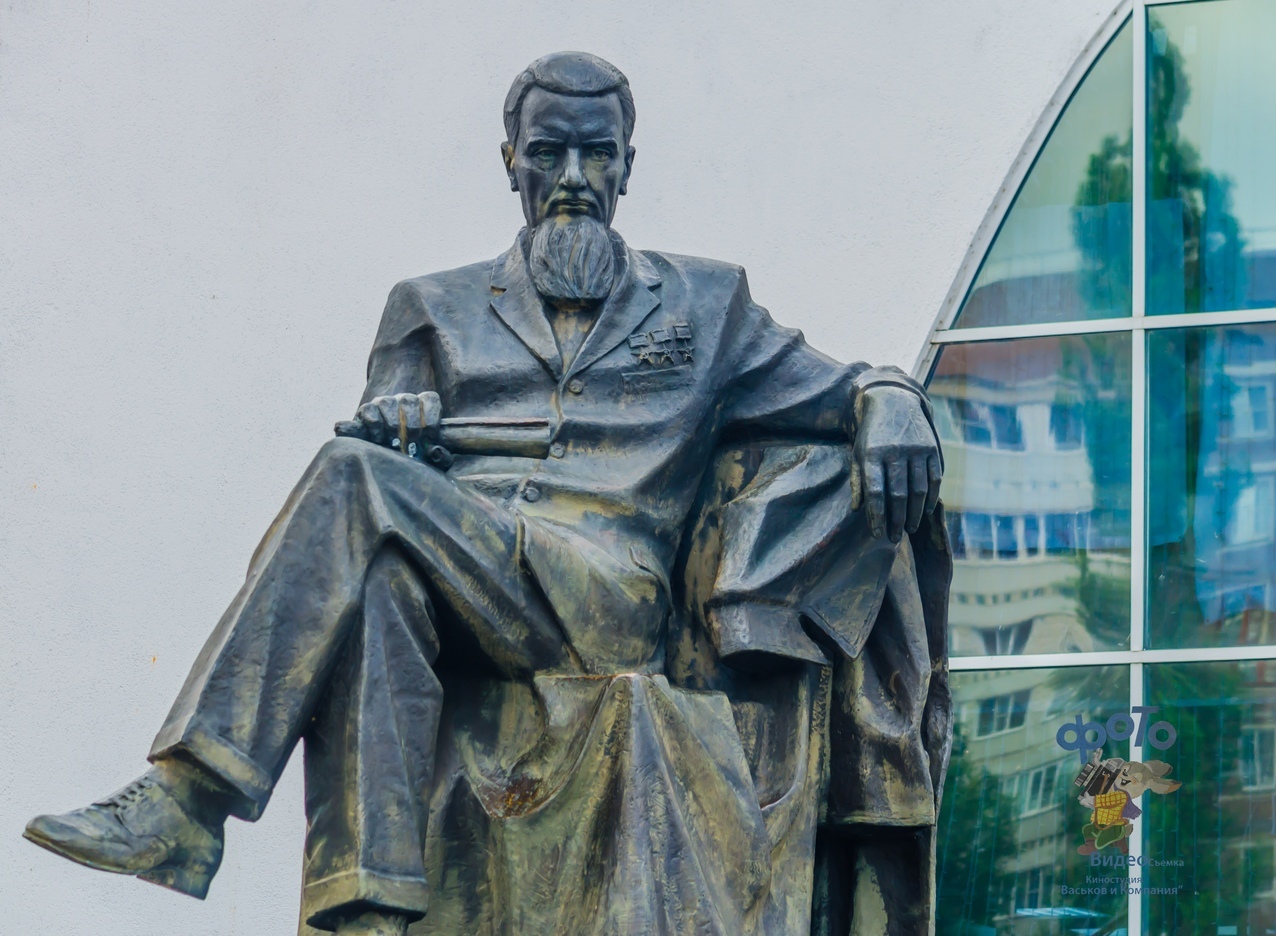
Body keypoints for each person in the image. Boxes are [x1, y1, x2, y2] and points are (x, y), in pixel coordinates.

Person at [25, 52, 945, 936]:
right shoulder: (429, 307)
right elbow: (374, 464)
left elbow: (844, 387)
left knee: (351, 482)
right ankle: (371, 911)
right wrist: (396, 428)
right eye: (549, 153)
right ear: (511, 162)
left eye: (596, 153)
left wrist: (892, 397)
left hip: (606, 597)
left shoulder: (706, 303)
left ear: (629, 165)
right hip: (472, 591)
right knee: (379, 582)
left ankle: (194, 795)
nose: (573, 177)